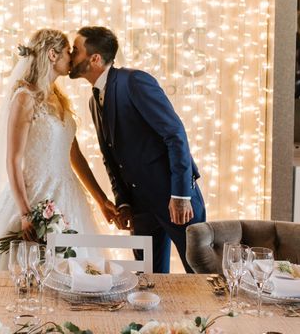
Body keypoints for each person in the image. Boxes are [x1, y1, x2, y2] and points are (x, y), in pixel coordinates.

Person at [69, 26, 206, 273]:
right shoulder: (93, 100)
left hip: (175, 200)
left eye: (75, 50)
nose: (70, 55)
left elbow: (175, 135)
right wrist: (122, 202)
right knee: (148, 280)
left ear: (95, 59)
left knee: (199, 275)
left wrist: (181, 195)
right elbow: (110, 157)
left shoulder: (133, 81)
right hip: (141, 209)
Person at [0, 29, 119, 269]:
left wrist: (100, 199)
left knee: (76, 269)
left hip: (68, 195)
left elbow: (74, 155)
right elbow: (13, 160)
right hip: (35, 195)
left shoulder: (58, 97)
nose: (72, 58)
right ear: (53, 55)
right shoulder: (24, 97)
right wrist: (25, 213)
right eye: (68, 52)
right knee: (31, 268)